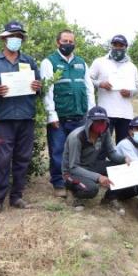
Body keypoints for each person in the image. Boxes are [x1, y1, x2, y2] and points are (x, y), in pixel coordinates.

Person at [0, 20, 42, 215]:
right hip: (3, 118)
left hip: (25, 117)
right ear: (4, 39)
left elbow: (38, 87)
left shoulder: (28, 62)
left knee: (22, 159)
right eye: (12, 36)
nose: (15, 40)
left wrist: (37, 87)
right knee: (2, 160)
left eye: (19, 37)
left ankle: (17, 197)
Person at [40, 29, 95, 198]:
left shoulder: (81, 63)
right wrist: (51, 114)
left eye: (71, 41)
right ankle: (58, 183)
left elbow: (89, 89)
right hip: (60, 117)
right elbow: (47, 90)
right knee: (58, 150)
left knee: (79, 152)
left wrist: (91, 113)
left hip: (80, 116)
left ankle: (76, 182)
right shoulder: (49, 62)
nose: (68, 44)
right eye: (65, 41)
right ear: (58, 42)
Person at [62, 106, 127, 207]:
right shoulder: (77, 137)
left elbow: (111, 153)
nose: (101, 124)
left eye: (103, 121)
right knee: (92, 189)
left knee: (122, 169)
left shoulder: (105, 132)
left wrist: (124, 159)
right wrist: (98, 177)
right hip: (71, 173)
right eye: (97, 121)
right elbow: (73, 167)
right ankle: (73, 194)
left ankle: (109, 198)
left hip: (90, 166)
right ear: (89, 122)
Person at [88, 34, 138, 143]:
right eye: (115, 45)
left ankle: (122, 161)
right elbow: (88, 79)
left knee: (124, 146)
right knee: (101, 146)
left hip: (125, 113)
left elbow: (137, 87)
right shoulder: (99, 62)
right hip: (105, 113)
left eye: (121, 45)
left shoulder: (132, 67)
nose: (118, 47)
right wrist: (100, 84)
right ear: (111, 46)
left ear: (126, 47)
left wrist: (130, 93)